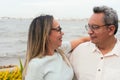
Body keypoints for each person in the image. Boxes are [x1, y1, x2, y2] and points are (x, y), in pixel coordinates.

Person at [22, 14, 90, 80]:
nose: (62, 33)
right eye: (58, 29)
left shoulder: (60, 49)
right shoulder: (35, 65)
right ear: (45, 34)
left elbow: (82, 40)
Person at [70, 5, 120, 80]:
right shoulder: (78, 51)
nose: (89, 32)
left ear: (111, 29)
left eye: (95, 27)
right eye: (89, 27)